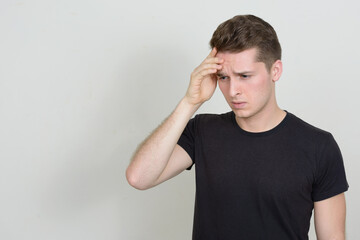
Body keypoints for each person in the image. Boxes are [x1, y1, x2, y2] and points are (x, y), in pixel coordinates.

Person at [126, 15, 349, 239]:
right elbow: (139, 177)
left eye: (244, 76)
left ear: (275, 70)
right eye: (223, 77)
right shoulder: (203, 131)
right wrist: (190, 102)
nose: (233, 90)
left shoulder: (318, 147)